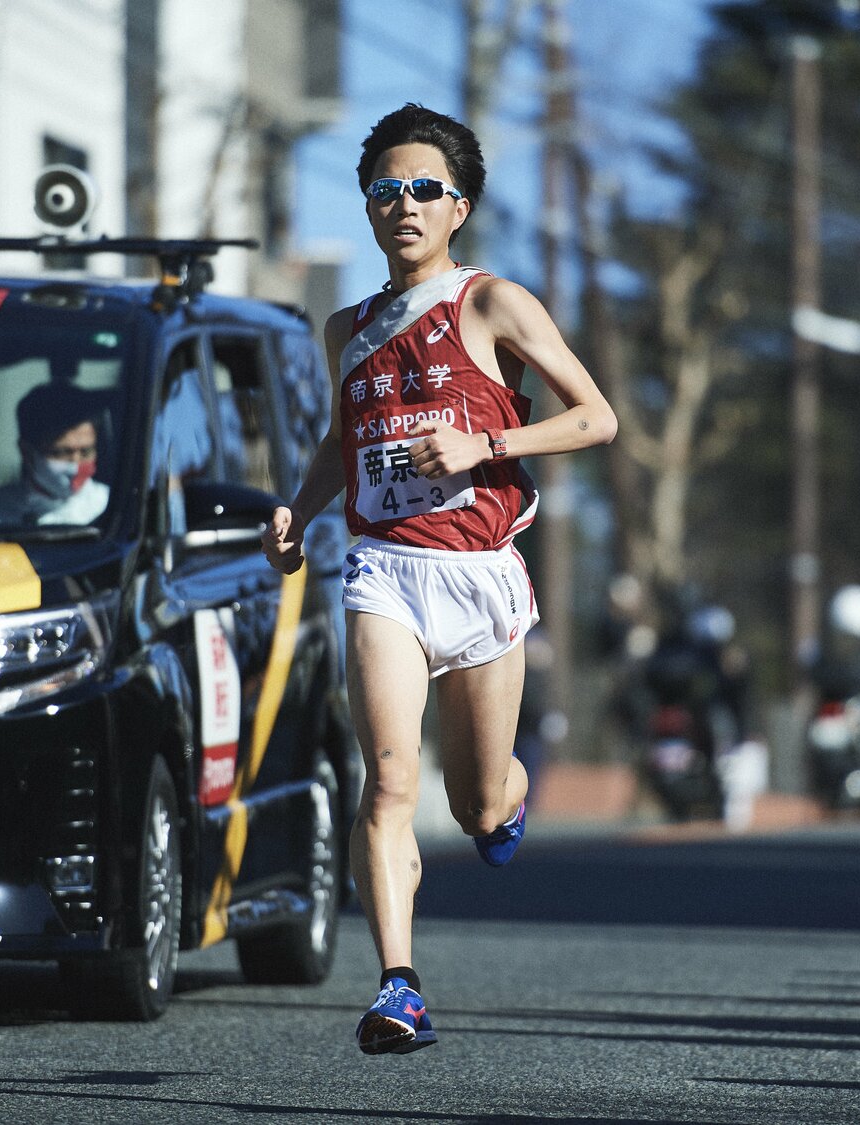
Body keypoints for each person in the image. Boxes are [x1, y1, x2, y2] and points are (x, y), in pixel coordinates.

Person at [261, 103, 616, 1056]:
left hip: (481, 574)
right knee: (387, 780)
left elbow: (597, 419)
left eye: (425, 190)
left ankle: (508, 788)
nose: (404, 205)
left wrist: (484, 440)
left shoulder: (495, 303)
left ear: (459, 207)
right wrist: (302, 504)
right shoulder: (349, 326)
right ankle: (398, 987)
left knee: (475, 805)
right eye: (386, 190)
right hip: (385, 570)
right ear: (369, 208)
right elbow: (345, 442)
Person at [0, 382, 109, 526]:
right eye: (60, 453)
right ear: (27, 453)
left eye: (85, 452)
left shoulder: (109, 505)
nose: (75, 466)